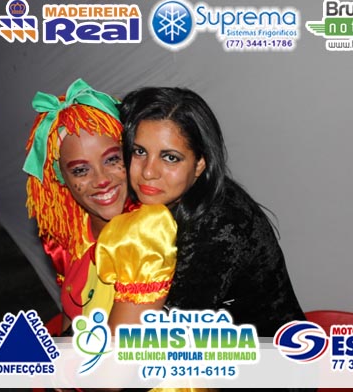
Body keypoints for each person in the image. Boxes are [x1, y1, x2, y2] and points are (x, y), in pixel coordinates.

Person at [118, 86, 306, 337]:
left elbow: (169, 335)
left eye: (170, 157)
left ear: (200, 164)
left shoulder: (221, 226)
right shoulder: (157, 201)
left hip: (269, 355)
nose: (148, 172)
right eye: (139, 151)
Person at [23, 79, 176, 335]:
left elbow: (120, 348)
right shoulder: (68, 232)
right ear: (62, 179)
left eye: (112, 159)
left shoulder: (145, 230)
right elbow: (70, 317)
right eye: (80, 170)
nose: (101, 180)